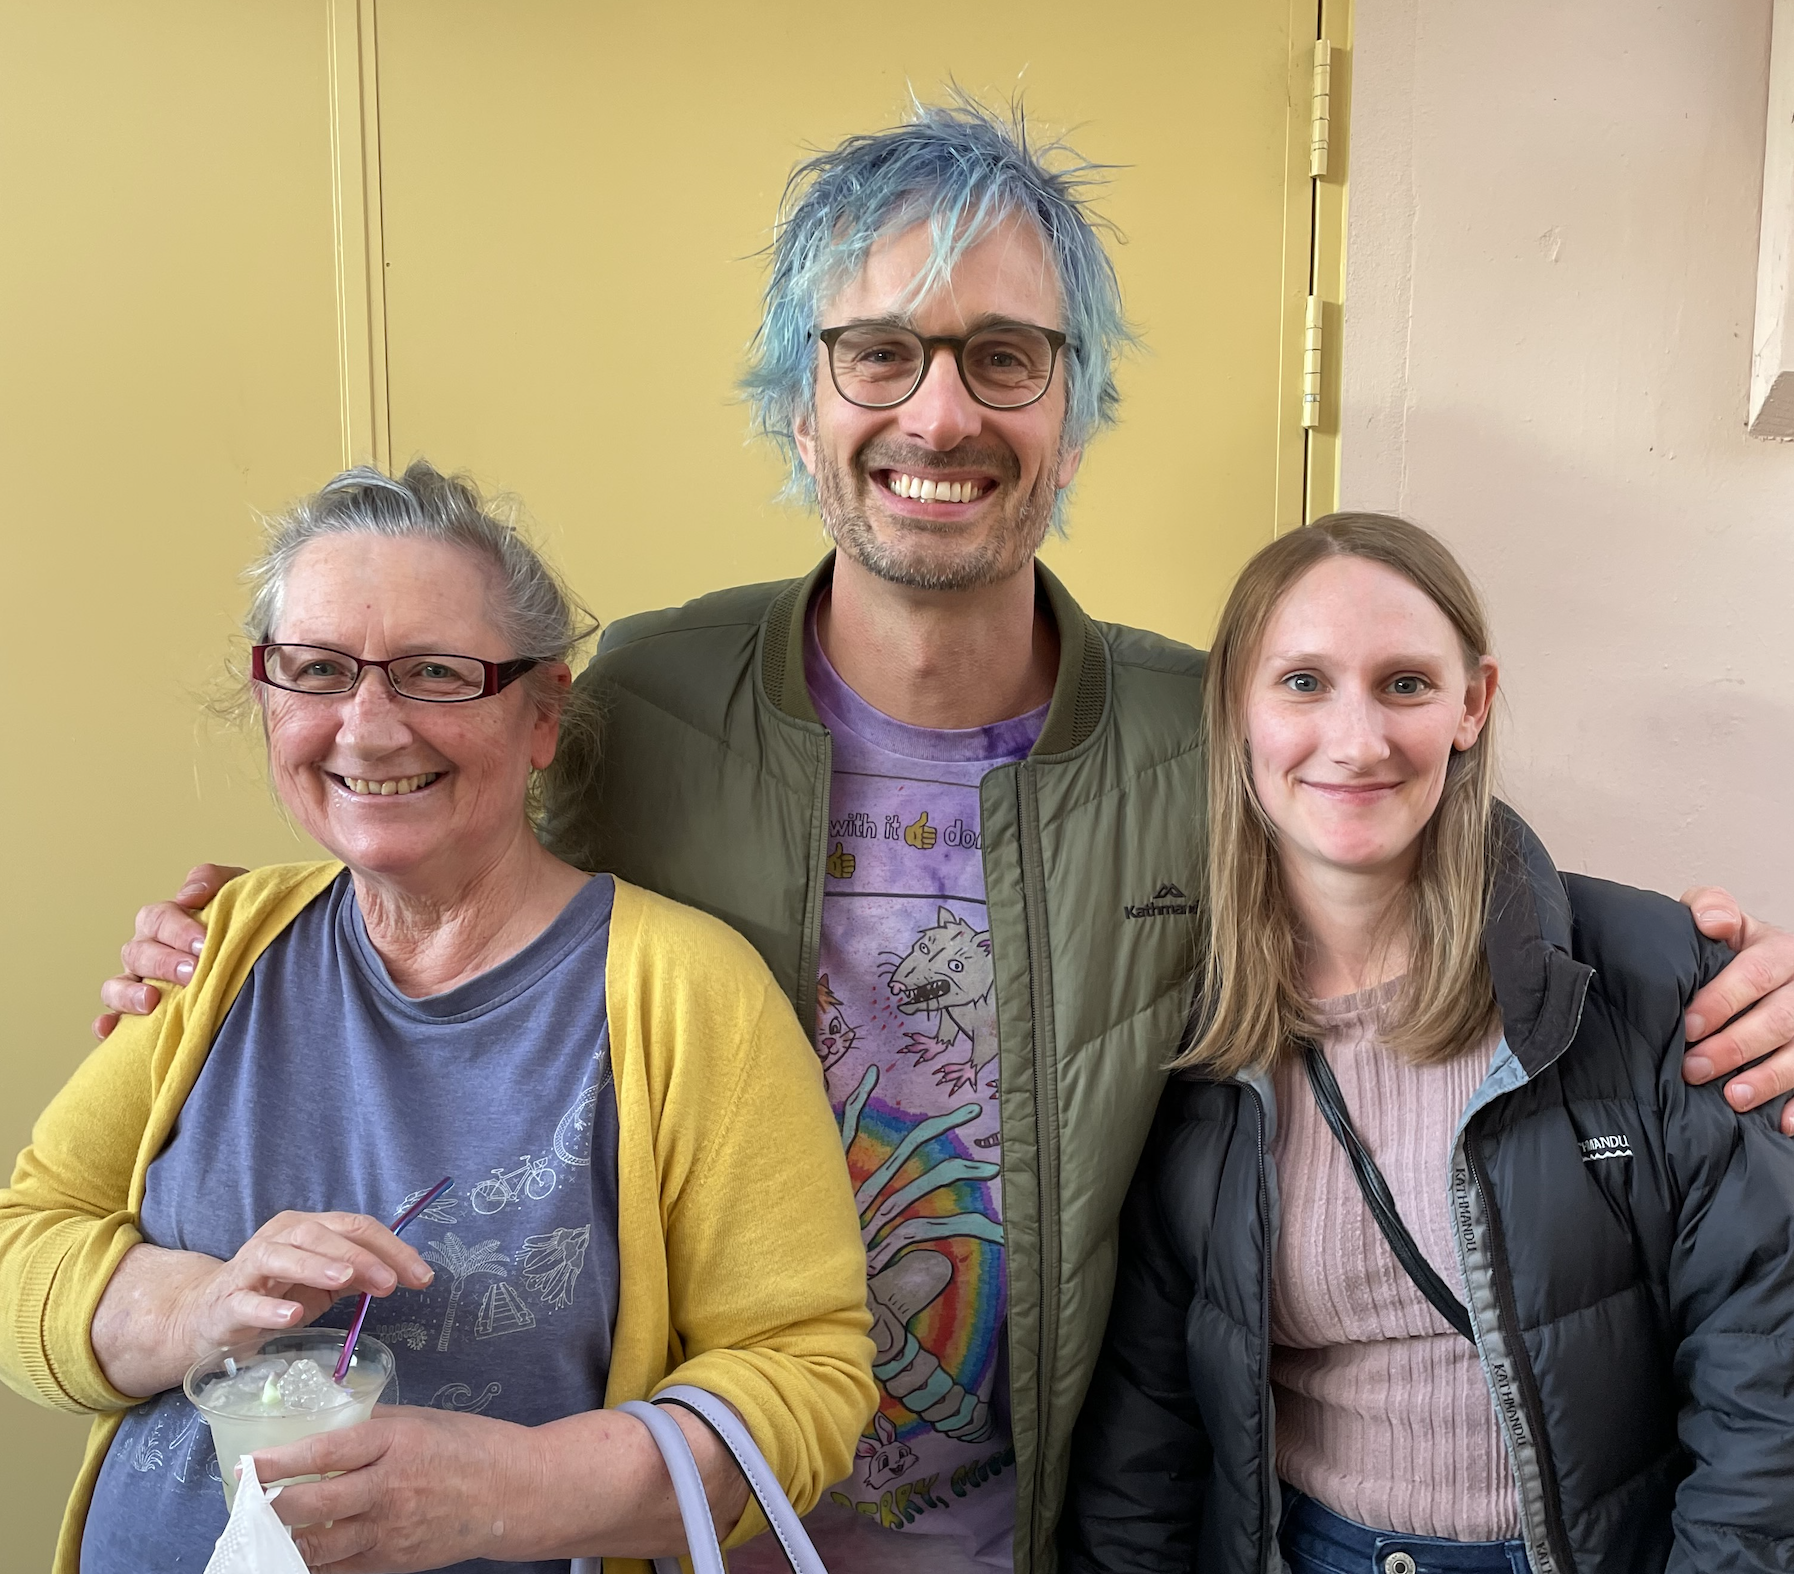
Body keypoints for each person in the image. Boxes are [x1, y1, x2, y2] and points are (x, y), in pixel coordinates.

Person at [91, 100, 1794, 1574]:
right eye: (876, 350)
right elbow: (434, 852)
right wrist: (227, 935)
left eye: (1003, 354)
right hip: (660, 1514)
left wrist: (1685, 969)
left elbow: (1412, 858)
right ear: (798, 395)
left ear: (1071, 403)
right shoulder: (645, 700)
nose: (936, 413)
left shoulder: (1181, 726)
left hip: (1039, 1524)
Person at [0, 462, 876, 1574]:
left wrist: (504, 1493)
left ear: (543, 713)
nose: (367, 727)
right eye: (316, 670)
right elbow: (27, 1239)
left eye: (434, 673)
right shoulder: (218, 944)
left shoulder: (689, 993)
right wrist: (201, 1306)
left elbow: (806, 1373)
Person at [1058, 513, 1794, 1574]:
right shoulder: (1189, 1027)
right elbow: (1148, 1427)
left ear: (1471, 703)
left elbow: (1766, 1381)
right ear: (1235, 708)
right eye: (1303, 681)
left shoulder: (1650, 974)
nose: (1356, 740)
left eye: (1404, 682)